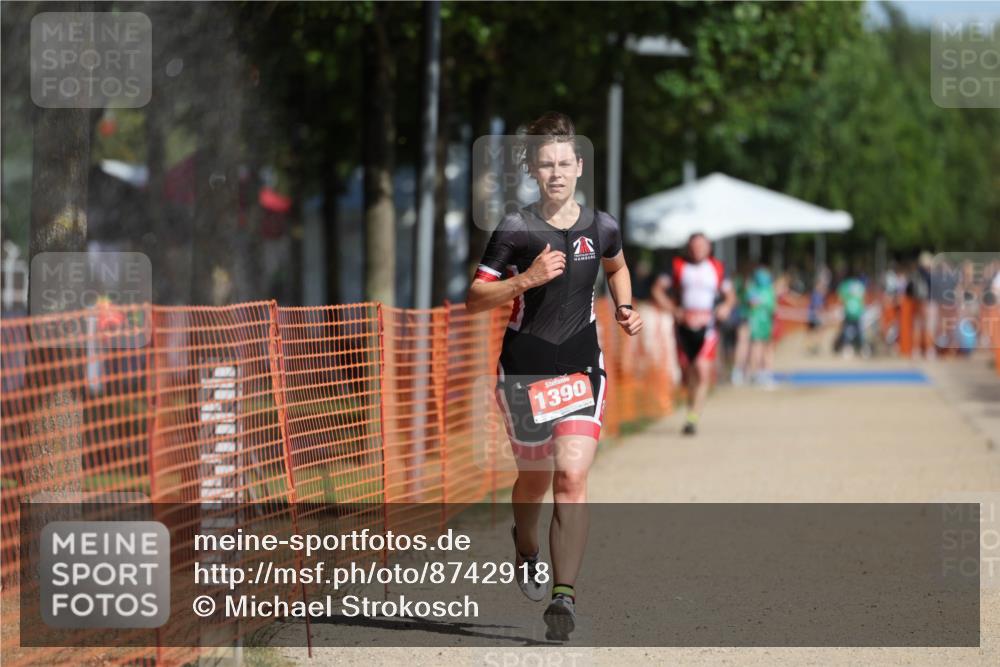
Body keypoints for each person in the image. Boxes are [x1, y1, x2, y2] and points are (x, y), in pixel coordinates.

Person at [465, 111, 642, 641]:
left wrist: (625, 306)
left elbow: (616, 266)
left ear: (579, 166)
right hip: (525, 368)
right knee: (535, 479)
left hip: (582, 364)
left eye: (565, 162)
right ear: (534, 171)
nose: (557, 172)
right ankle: (526, 546)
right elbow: (476, 298)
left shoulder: (602, 225)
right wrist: (528, 278)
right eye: (547, 163)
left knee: (571, 476)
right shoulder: (516, 228)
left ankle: (563, 596)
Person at [651, 233, 736, 435]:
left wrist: (725, 307)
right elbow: (657, 290)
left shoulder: (717, 268)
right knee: (688, 373)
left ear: (709, 248)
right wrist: (674, 310)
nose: (698, 249)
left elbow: (730, 296)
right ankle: (690, 406)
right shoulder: (678, 266)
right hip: (684, 327)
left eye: (702, 246)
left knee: (702, 369)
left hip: (708, 327)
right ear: (689, 248)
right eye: (694, 246)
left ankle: (692, 418)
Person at [747, 266, 777, 386]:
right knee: (757, 348)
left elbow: (773, 310)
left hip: (765, 323)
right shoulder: (756, 290)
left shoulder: (767, 290)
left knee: (766, 348)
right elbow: (752, 305)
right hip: (758, 323)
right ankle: (756, 373)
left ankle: (765, 373)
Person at [834, 271, 866, 356]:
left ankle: (849, 348)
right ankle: (860, 349)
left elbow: (840, 298)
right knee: (859, 332)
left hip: (849, 313)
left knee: (847, 332)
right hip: (856, 313)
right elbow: (862, 299)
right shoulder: (860, 285)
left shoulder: (845, 285)